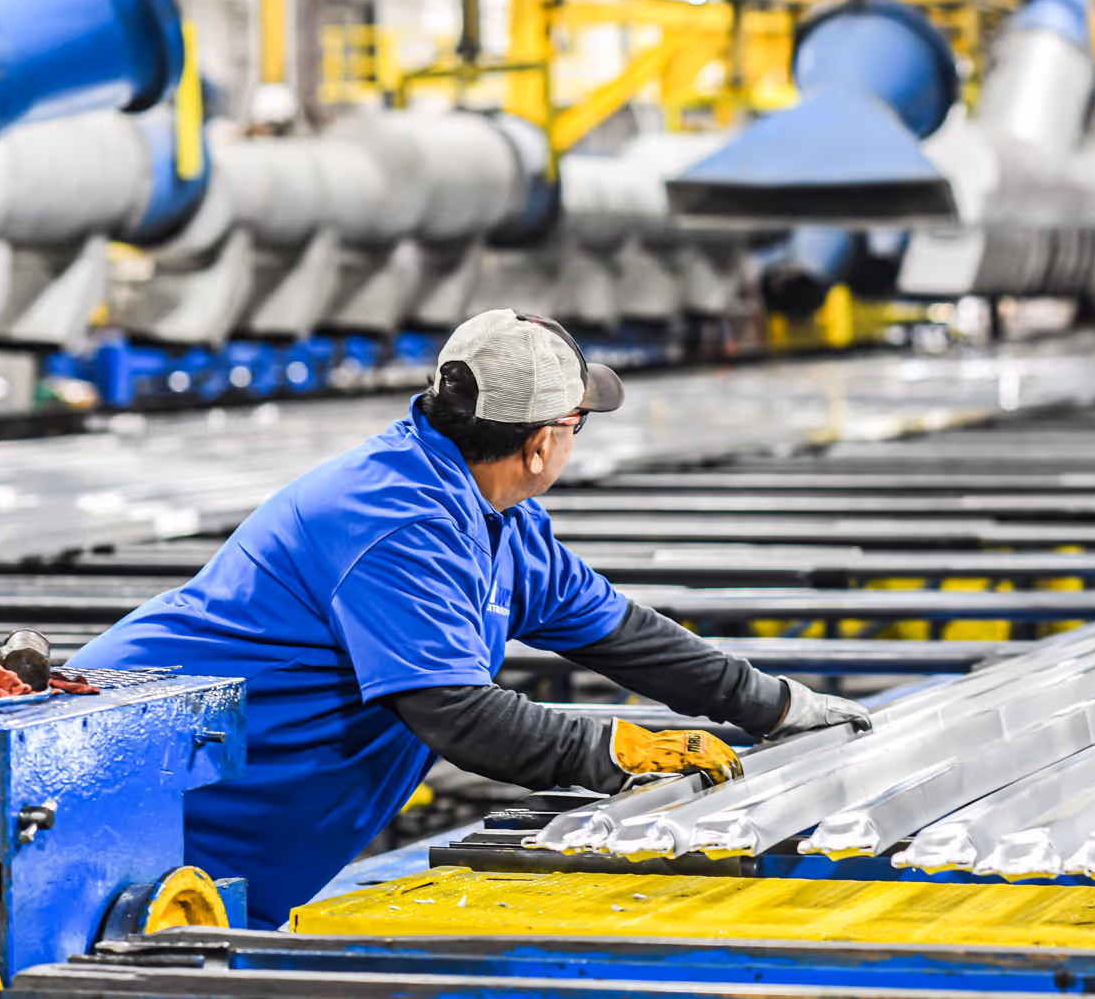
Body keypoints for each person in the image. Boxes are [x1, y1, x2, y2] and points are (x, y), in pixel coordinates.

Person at [71, 309, 871, 927]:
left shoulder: (496, 517)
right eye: (575, 425)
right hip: (134, 798)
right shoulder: (397, 517)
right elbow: (456, 711)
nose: (575, 441)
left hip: (230, 833)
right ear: (536, 445)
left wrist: (776, 705)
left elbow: (619, 630)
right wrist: (608, 747)